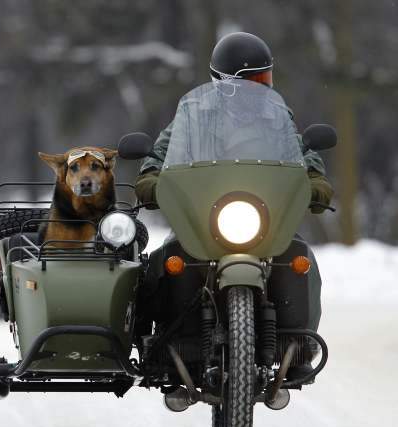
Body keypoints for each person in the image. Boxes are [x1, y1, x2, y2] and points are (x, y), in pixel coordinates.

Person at [134, 32, 331, 379]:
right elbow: (161, 153)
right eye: (254, 81)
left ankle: (297, 346)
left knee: (299, 260)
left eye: (265, 79)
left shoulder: (276, 116)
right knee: (165, 262)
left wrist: (315, 179)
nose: (261, 88)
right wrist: (151, 178)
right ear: (225, 83)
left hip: (263, 219)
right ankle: (161, 344)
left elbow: (301, 150)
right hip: (202, 220)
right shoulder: (194, 114)